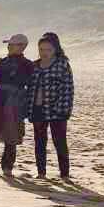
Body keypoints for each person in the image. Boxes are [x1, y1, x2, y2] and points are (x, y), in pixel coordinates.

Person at [0, 32, 36, 174]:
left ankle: (7, 168)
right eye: (9, 44)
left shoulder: (27, 64)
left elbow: (26, 81)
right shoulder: (2, 61)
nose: (9, 47)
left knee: (11, 133)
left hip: (15, 100)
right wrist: (5, 73)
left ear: (22, 46)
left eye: (12, 44)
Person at [30, 30, 75, 181]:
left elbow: (68, 89)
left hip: (57, 110)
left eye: (48, 49)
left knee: (60, 142)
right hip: (37, 108)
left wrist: (64, 110)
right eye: (41, 50)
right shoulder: (35, 66)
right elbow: (28, 87)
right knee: (39, 143)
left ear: (55, 49)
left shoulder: (62, 65)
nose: (44, 53)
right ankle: (41, 173)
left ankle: (64, 175)